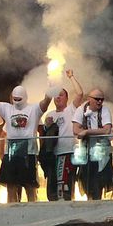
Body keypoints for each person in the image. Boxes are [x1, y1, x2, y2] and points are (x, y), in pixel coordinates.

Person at [40, 71, 84, 201]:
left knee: (66, 184)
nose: (58, 98)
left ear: (66, 98)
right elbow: (44, 136)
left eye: (61, 95)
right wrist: (47, 126)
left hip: (68, 152)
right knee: (52, 184)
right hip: (52, 155)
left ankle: (68, 205)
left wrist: (71, 76)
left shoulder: (71, 109)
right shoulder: (50, 114)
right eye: (56, 96)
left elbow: (80, 93)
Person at [73, 88, 113, 200]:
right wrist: (95, 131)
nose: (100, 102)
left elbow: (106, 130)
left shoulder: (105, 110)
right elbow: (76, 130)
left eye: (102, 99)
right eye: (97, 99)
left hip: (102, 151)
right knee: (86, 179)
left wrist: (87, 131)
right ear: (89, 99)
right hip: (86, 151)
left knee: (100, 180)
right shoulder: (81, 110)